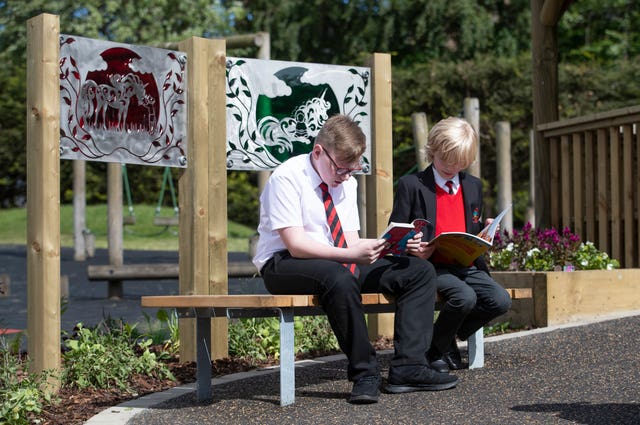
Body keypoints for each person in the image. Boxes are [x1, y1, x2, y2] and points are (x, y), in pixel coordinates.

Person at [253, 114, 458, 404]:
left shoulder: (346, 183)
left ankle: (410, 367)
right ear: (318, 152)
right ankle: (365, 373)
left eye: (353, 170)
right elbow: (296, 244)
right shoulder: (286, 177)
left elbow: (348, 241)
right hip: (283, 263)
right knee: (339, 277)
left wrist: (386, 245)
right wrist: (350, 255)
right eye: (341, 169)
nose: (346, 176)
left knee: (419, 270)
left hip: (335, 259)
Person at [389, 116, 512, 373]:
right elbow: (396, 233)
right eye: (446, 160)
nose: (451, 167)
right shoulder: (412, 185)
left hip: (466, 264)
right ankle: (438, 348)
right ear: (432, 150)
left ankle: (440, 341)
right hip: (430, 267)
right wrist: (412, 245)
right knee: (464, 297)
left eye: (460, 164)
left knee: (500, 300)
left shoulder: (472, 185)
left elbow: (470, 228)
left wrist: (486, 230)